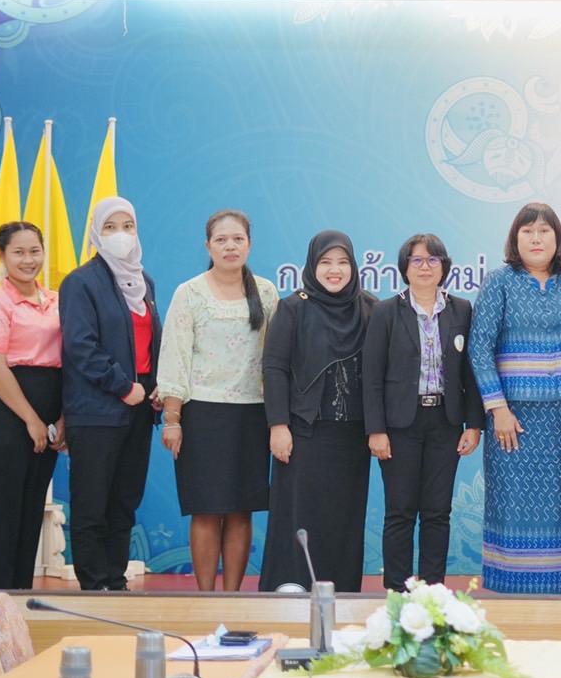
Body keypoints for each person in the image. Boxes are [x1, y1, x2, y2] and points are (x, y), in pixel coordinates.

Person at [468, 203, 561, 594]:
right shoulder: (499, 282)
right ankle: (510, 589)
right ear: (515, 239)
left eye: (545, 231)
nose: (536, 238)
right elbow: (479, 347)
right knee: (512, 505)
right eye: (528, 231)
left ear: (558, 239)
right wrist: (498, 408)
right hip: (512, 421)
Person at [156, 210, 278, 592]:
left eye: (238, 239)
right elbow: (175, 356)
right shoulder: (189, 293)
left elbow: (276, 358)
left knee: (241, 511)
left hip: (252, 415)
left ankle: (232, 598)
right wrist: (172, 419)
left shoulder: (267, 293)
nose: (230, 246)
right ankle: (206, 597)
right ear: (207, 246)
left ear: (249, 245)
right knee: (206, 510)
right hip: (202, 415)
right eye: (221, 240)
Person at [363, 233, 484, 589]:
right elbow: (372, 375)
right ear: (405, 267)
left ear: (444, 266)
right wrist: (376, 430)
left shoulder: (461, 309)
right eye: (417, 260)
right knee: (400, 511)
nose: (425, 267)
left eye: (433, 260)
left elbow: (471, 372)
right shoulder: (386, 311)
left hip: (445, 422)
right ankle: (397, 592)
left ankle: (433, 592)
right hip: (400, 424)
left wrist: (474, 424)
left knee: (437, 512)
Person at [260, 231, 377, 592]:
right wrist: (278, 425)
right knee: (299, 519)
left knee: (344, 522)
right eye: (325, 262)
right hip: (304, 435)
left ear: (353, 266)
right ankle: (290, 594)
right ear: (312, 266)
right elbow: (274, 368)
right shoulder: (293, 308)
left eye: (342, 262)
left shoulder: (370, 308)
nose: (334, 270)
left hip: (352, 440)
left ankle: (341, 597)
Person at [59, 196, 162, 591]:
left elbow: (150, 343)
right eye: (111, 227)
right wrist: (123, 386)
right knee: (92, 503)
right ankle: (93, 585)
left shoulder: (143, 282)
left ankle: (115, 582)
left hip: (139, 407)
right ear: (96, 233)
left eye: (128, 227)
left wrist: (155, 388)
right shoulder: (80, 282)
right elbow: (81, 346)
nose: (121, 235)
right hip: (97, 409)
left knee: (124, 501)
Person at [0, 221, 66, 589]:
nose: (28, 260)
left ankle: (21, 589)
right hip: (8, 408)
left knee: (32, 502)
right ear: (1, 255)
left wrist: (62, 417)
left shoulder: (59, 301)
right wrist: (30, 419)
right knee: (5, 501)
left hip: (51, 401)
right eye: (18, 252)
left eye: (34, 251)